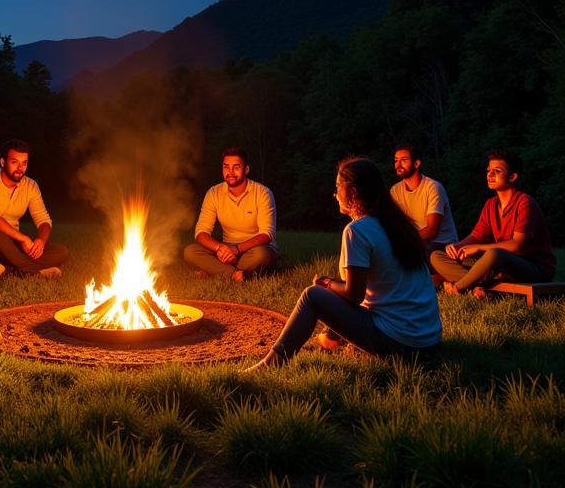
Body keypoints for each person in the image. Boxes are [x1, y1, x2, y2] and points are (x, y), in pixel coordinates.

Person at [246, 157, 441, 370]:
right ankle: (335, 339)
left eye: (338, 187)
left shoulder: (357, 231)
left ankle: (270, 364)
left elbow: (354, 295)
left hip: (402, 346)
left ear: (354, 193)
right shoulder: (397, 225)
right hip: (429, 343)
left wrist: (326, 283)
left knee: (312, 296)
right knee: (330, 292)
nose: (335, 193)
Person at [430, 151, 556, 297]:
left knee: (494, 254)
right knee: (437, 256)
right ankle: (476, 288)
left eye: (497, 171)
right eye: (489, 170)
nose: (490, 175)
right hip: (500, 266)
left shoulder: (525, 203)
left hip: (533, 268)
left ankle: (459, 288)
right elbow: (477, 236)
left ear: (512, 176)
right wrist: (457, 248)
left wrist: (478, 248)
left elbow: (517, 245)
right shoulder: (491, 205)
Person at [0, 139, 68, 277]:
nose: (20, 168)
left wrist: (41, 241)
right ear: (2, 162)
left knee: (61, 251)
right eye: (14, 162)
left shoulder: (31, 186)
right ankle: (34, 272)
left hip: (10, 247)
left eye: (24, 163)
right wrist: (23, 239)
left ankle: (2, 267)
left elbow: (44, 220)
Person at [183, 147, 279, 281]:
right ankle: (236, 274)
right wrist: (219, 248)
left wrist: (237, 249)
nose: (230, 172)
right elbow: (201, 232)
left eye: (236, 167)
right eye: (226, 167)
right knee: (190, 252)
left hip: (254, 249)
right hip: (226, 248)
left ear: (246, 170)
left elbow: (267, 234)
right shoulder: (214, 193)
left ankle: (215, 271)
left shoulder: (262, 193)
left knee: (261, 255)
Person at [389, 144, 458, 256]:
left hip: (441, 244)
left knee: (413, 254)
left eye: (403, 160)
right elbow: (394, 223)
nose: (398, 165)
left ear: (417, 163)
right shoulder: (395, 190)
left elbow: (432, 230)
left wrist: (405, 241)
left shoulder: (433, 187)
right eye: (396, 160)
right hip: (415, 241)